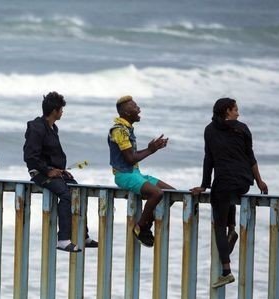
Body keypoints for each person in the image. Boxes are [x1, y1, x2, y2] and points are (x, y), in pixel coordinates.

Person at [190, 98, 268, 289]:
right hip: (243, 182)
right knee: (229, 197)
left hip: (224, 183)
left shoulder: (209, 130)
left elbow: (209, 159)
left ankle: (226, 271)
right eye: (235, 110)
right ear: (227, 111)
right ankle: (232, 230)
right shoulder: (242, 128)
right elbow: (251, 157)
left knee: (219, 225)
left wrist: (204, 185)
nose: (238, 113)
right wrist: (259, 181)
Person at [23, 91, 98, 253]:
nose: (62, 112)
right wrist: (48, 171)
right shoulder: (36, 128)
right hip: (39, 173)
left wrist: (61, 171)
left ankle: (83, 235)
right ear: (55, 111)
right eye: (61, 109)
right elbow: (30, 157)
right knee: (65, 194)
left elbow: (50, 156)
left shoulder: (52, 127)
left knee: (78, 190)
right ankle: (63, 239)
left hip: (53, 172)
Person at [108, 96, 173, 247]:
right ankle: (141, 227)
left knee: (171, 193)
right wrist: (151, 150)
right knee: (157, 193)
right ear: (126, 112)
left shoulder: (127, 129)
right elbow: (130, 159)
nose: (139, 109)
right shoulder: (119, 131)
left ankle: (146, 223)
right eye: (135, 106)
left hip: (135, 174)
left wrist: (153, 149)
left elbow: (132, 157)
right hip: (124, 175)